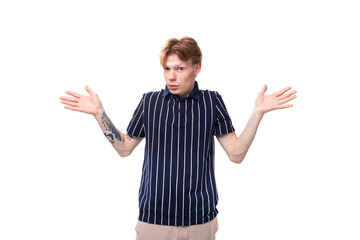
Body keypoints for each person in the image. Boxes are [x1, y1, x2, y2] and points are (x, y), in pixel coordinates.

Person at [59, 37, 297, 240]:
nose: (171, 77)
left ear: (197, 68)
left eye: (180, 69)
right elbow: (124, 148)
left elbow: (236, 154)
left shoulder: (212, 102)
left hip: (200, 221)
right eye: (167, 68)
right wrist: (99, 114)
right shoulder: (149, 102)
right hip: (154, 220)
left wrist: (257, 114)